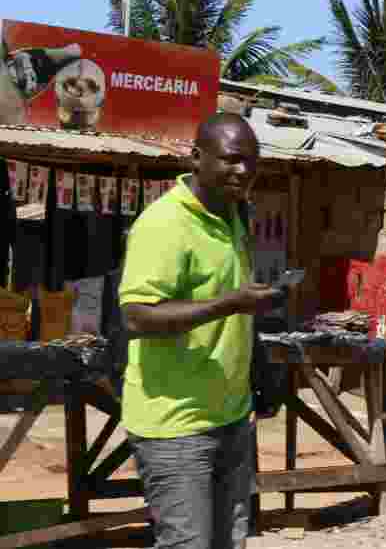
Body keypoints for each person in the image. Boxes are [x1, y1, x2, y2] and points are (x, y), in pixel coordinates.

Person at [119, 113, 283, 549]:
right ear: (196, 158)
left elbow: (235, 311)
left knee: (230, 540)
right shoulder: (165, 224)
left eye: (251, 161)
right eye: (231, 159)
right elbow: (136, 316)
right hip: (176, 424)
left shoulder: (232, 217)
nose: (243, 171)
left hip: (230, 417)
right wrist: (232, 302)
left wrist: (258, 368)